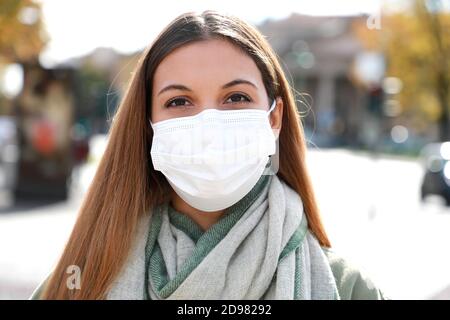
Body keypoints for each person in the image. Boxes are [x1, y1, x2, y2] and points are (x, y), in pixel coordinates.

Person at [31, 10, 386, 300]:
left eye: (236, 98)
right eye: (179, 102)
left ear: (274, 119)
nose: (209, 125)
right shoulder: (74, 286)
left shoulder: (349, 289)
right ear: (148, 126)